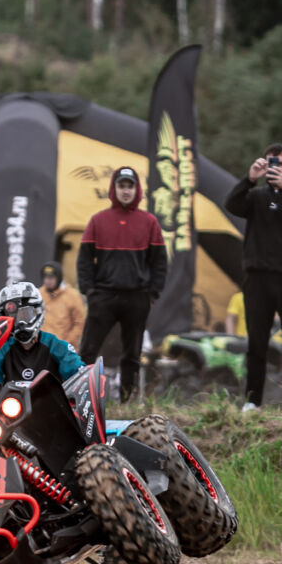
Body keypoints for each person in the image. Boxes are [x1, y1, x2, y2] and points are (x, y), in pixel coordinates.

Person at [225, 143, 282, 414]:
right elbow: (231, 204)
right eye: (270, 163)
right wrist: (249, 179)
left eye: (281, 163)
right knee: (256, 342)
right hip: (259, 278)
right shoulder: (255, 197)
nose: (276, 168)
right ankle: (252, 401)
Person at [76, 166, 168, 401]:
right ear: (114, 189)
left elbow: (159, 262)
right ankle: (78, 397)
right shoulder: (98, 221)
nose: (126, 191)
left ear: (137, 190)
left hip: (136, 297)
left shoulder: (149, 222)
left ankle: (127, 400)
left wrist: (152, 293)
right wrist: (89, 291)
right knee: (88, 350)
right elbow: (84, 259)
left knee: (132, 353)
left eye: (130, 186)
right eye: (122, 186)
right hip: (103, 296)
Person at [0, 281, 85, 385]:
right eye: (13, 317)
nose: (20, 322)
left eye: (26, 315)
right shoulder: (2, 349)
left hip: (51, 397)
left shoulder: (55, 345)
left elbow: (80, 377)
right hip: (12, 397)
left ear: (38, 312)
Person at [39, 262, 86, 347]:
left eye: (51, 277)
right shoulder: (38, 294)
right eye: (45, 277)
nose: (48, 281)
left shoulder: (73, 296)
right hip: (42, 346)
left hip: (64, 348)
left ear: (59, 278)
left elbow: (80, 323)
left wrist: (65, 344)